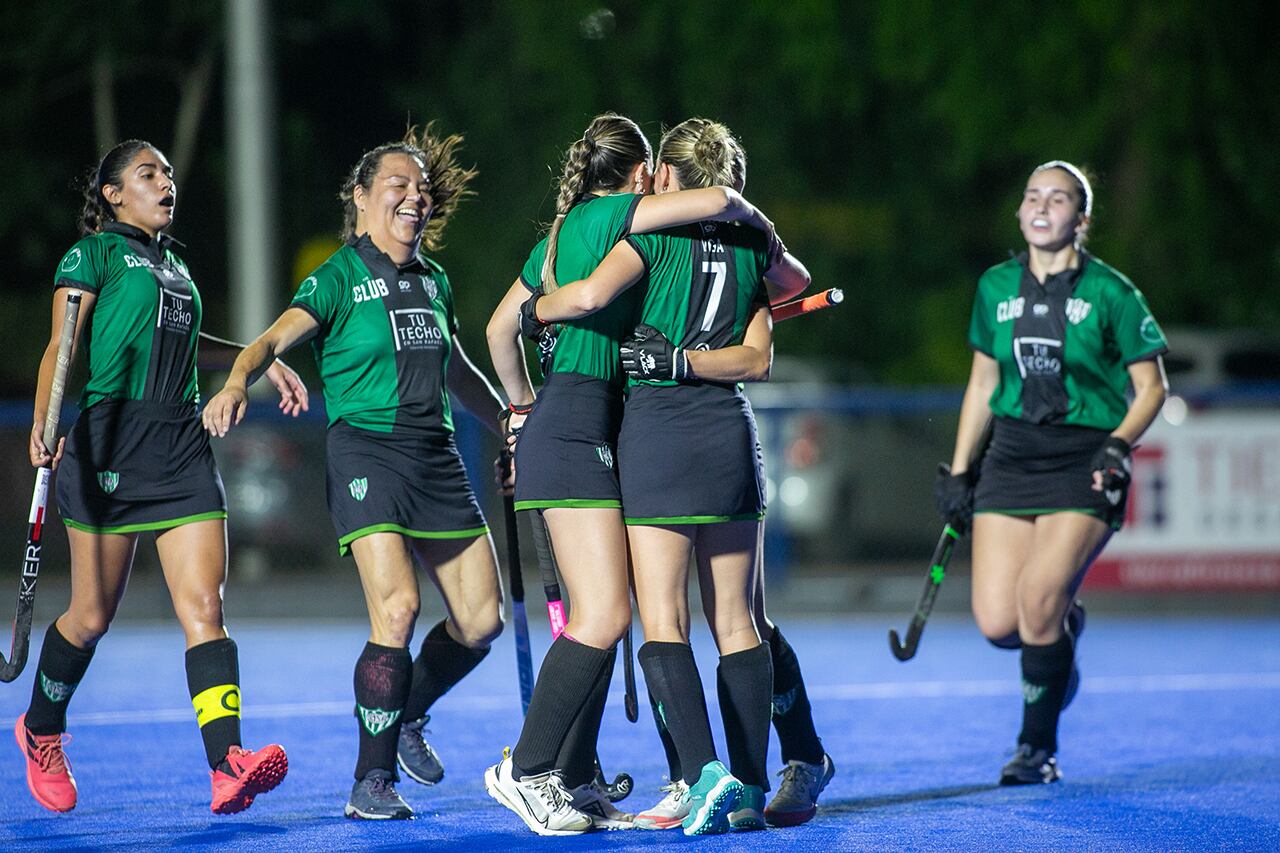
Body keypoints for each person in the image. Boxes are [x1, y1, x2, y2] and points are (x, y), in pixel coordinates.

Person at [482, 112, 784, 836]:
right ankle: (525, 770)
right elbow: (709, 214)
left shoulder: (555, 234)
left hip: (580, 425)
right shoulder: (631, 216)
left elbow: (495, 329)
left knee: (608, 613)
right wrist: (748, 214)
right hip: (584, 428)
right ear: (643, 174)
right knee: (610, 616)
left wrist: (520, 406)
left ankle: (577, 774)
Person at [202, 126, 505, 820]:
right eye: (397, 183)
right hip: (368, 452)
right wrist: (236, 383)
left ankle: (405, 718)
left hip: (437, 455)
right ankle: (369, 781)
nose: (414, 195)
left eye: (421, 186)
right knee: (397, 608)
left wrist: (511, 419)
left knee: (481, 620)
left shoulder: (435, 280)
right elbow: (271, 339)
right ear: (363, 199)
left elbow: (456, 367)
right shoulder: (338, 276)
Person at [17, 139, 305, 815]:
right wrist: (44, 419)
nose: (165, 182)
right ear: (114, 193)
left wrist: (255, 360)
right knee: (90, 616)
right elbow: (64, 343)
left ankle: (226, 763)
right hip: (111, 440)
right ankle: (41, 727)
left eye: (170, 173)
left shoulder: (174, 263)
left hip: (180, 443)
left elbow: (184, 343)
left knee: (205, 606)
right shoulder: (92, 255)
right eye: (148, 174)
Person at [936, 160, 1168, 785]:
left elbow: (1152, 388)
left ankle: (1036, 750)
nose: (1042, 207)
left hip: (1084, 459)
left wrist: (1118, 445)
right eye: (1032, 196)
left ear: (1081, 219)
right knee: (998, 623)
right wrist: (960, 473)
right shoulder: (994, 287)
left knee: (1037, 603)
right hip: (1011, 457)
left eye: (1058, 199)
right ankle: (1063, 636)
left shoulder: (1113, 293)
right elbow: (984, 380)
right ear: (1019, 211)